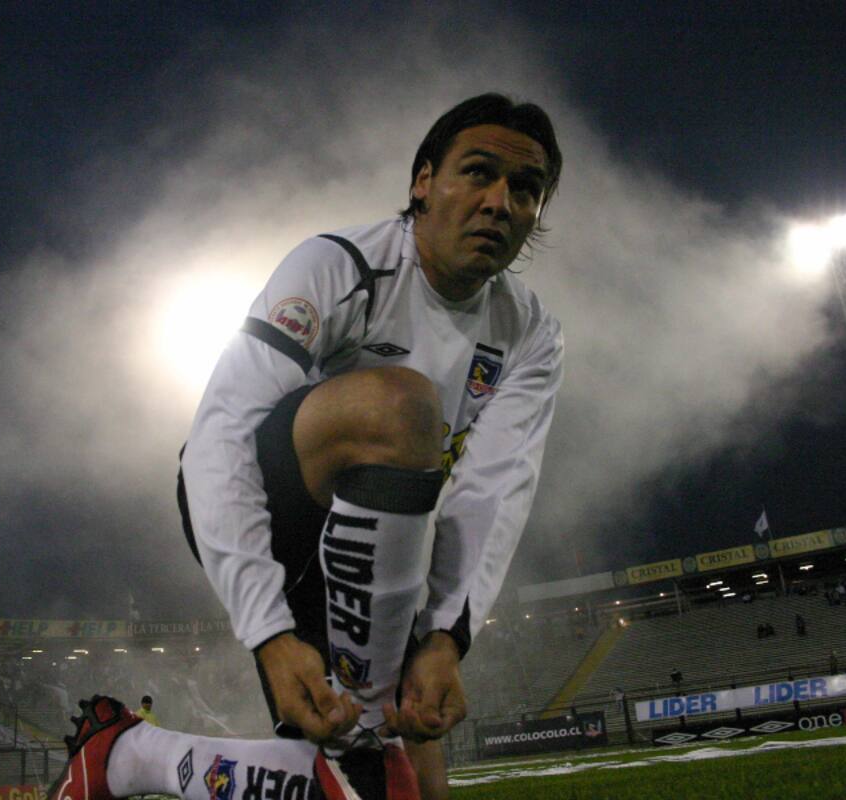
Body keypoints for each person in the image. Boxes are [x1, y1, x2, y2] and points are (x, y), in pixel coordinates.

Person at [49, 93, 565, 800]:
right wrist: (267, 630)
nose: (500, 202)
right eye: (478, 172)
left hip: (373, 550)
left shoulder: (530, 334)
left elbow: (492, 493)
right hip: (266, 505)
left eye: (526, 189)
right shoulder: (339, 265)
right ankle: (362, 736)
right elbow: (219, 436)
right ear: (423, 182)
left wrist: (445, 638)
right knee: (404, 406)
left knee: (406, 792)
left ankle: (127, 755)